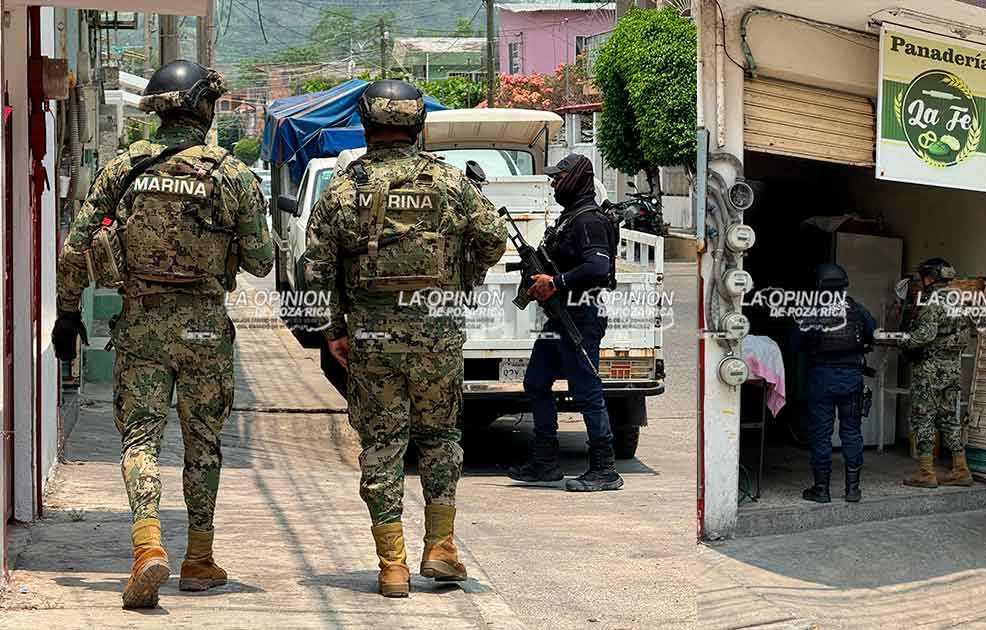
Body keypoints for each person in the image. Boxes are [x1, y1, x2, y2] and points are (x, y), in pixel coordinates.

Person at [52, 60, 273, 609]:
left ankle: (148, 545)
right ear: (204, 109)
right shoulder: (231, 173)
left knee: (140, 440)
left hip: (142, 326)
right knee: (203, 443)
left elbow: (75, 250)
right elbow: (264, 262)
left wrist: (67, 314)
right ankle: (199, 559)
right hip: (204, 327)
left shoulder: (125, 168)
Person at [304, 80, 507, 598]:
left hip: (371, 340)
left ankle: (391, 566)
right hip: (437, 334)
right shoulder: (450, 183)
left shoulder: (345, 190)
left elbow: (317, 267)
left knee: (382, 446)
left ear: (367, 127)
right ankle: (441, 548)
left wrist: (334, 331)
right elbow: (491, 240)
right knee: (440, 440)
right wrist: (461, 277)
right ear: (418, 126)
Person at [507, 153, 623, 492]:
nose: (554, 183)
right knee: (536, 382)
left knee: (586, 391)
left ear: (576, 179)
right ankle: (544, 462)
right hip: (560, 317)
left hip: (581, 316)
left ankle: (604, 469)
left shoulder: (589, 221)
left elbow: (598, 268)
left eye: (559, 178)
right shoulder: (569, 218)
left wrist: (556, 283)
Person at [797, 263, 877, 503]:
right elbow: (872, 335)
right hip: (851, 379)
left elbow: (796, 344)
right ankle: (853, 490)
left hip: (821, 379)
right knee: (851, 432)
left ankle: (822, 490)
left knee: (821, 434)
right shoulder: (858, 310)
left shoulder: (811, 312)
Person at [899, 258, 974, 488]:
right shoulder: (958, 300)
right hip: (952, 368)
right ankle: (961, 469)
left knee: (923, 417)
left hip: (930, 369)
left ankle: (926, 472)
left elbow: (925, 335)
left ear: (929, 278)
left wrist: (902, 340)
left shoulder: (932, 301)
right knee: (949, 417)